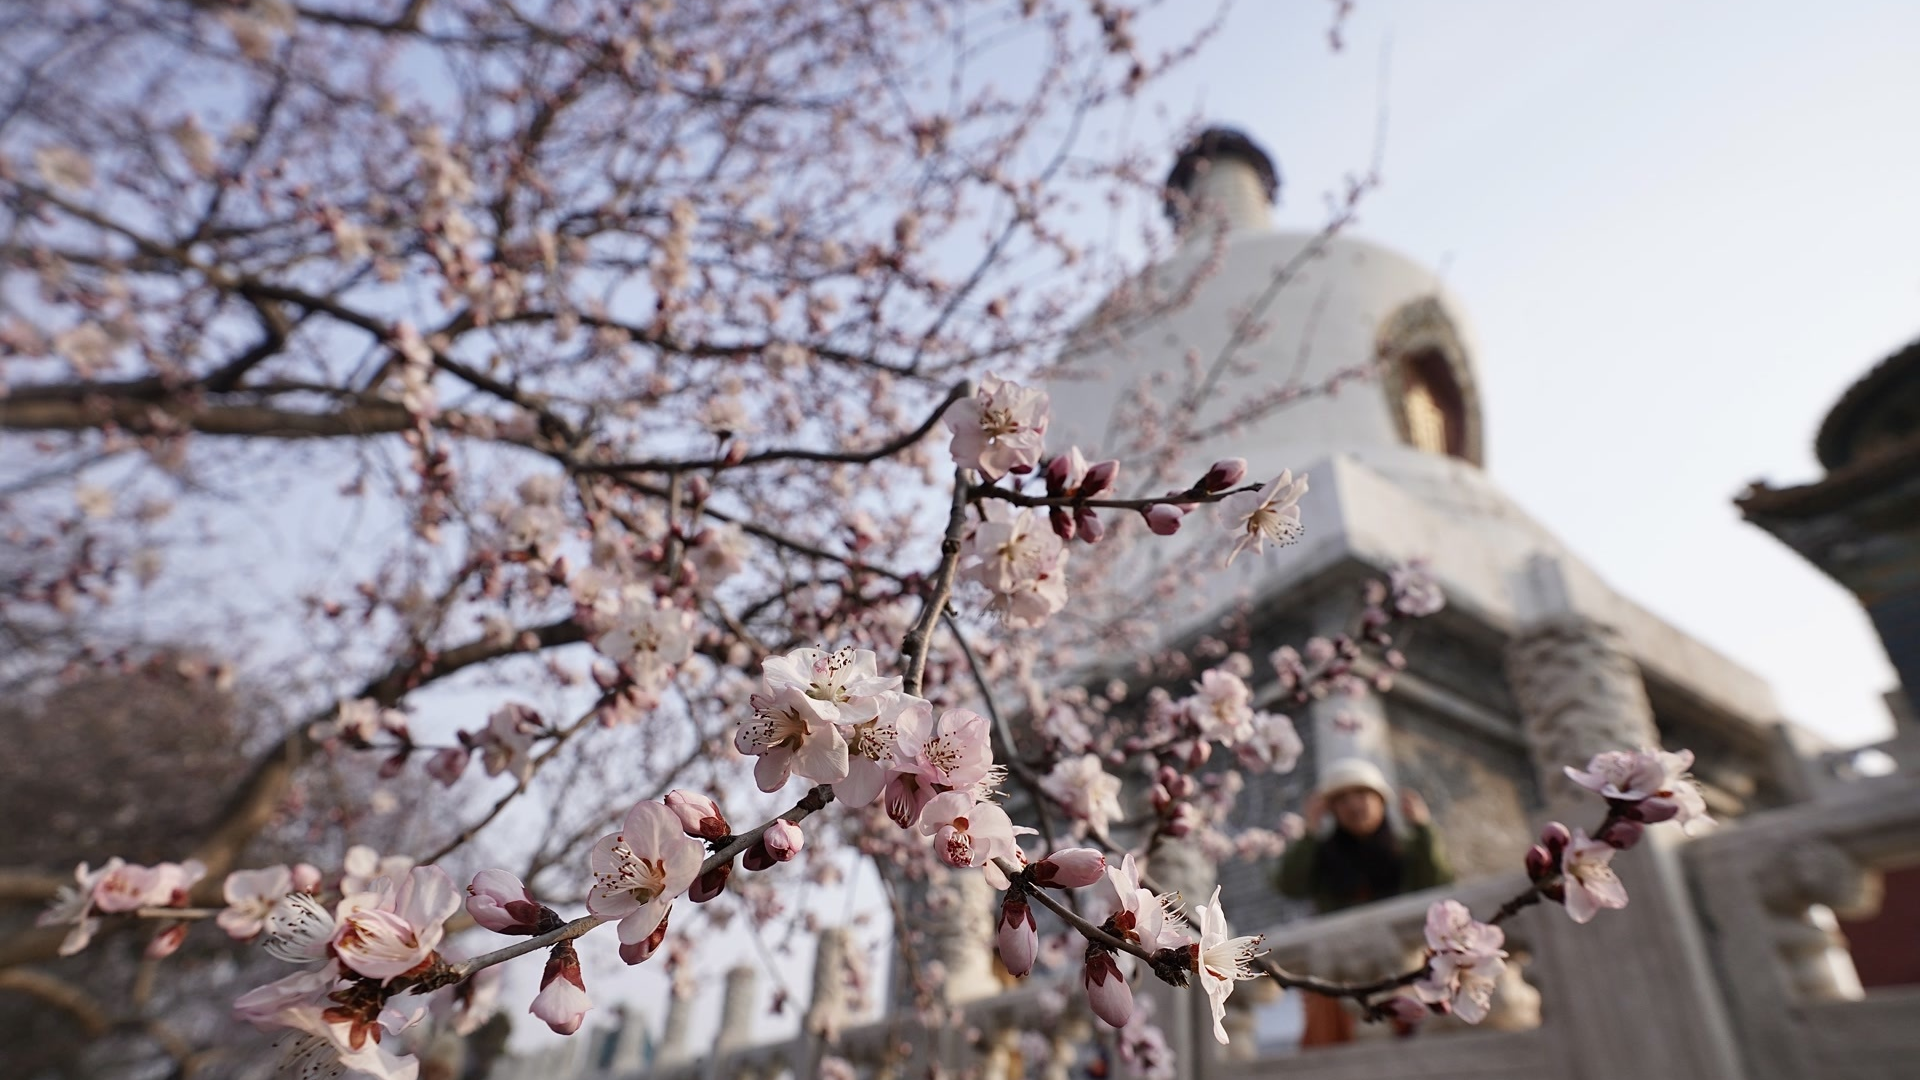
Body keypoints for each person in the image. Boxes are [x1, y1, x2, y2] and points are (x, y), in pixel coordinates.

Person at [1275, 758, 1454, 1045]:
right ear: (1332, 810)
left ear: (1381, 801)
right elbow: (1289, 885)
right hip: (1339, 972)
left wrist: (1424, 831)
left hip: (1401, 966)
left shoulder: (1407, 848)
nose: (1354, 805)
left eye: (1362, 794)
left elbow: (1439, 884)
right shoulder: (1322, 856)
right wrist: (1309, 831)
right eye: (1342, 800)